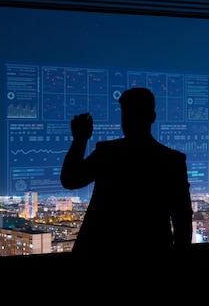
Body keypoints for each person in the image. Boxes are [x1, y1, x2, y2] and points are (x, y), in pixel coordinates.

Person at [60, 87, 193, 258]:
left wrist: (80, 140)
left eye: (129, 114)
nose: (128, 120)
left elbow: (70, 179)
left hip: (102, 250)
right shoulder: (172, 161)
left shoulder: (108, 153)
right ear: (152, 118)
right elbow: (182, 218)